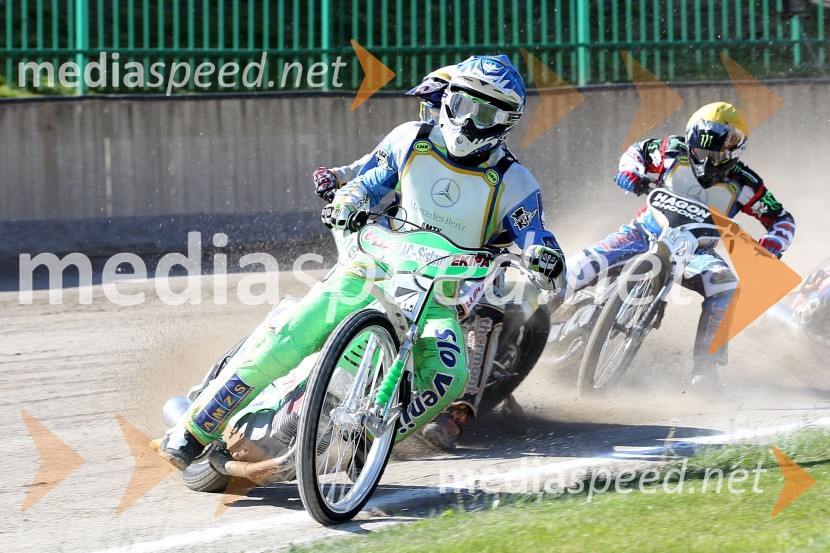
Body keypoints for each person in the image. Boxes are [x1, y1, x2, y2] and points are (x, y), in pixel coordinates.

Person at [156, 54, 566, 470]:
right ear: (449, 101)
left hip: (438, 298)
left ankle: (362, 444)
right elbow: (367, 182)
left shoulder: (516, 181)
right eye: (463, 105)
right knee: (293, 334)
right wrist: (348, 200)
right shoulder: (411, 138)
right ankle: (194, 429)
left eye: (487, 113)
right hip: (372, 269)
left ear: (507, 121)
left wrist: (545, 258)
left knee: (449, 375)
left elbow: (535, 235)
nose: (470, 122)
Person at [564, 101, 796, 388]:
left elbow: (783, 220)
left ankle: (706, 368)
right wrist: (631, 173)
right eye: (701, 151)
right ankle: (533, 314)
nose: (707, 161)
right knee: (578, 266)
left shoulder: (745, 183)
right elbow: (636, 152)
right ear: (690, 140)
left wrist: (770, 246)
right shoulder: (671, 149)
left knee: (725, 286)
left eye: (716, 154)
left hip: (696, 253)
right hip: (643, 232)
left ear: (734, 152)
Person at [311, 64, 457, 202]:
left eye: (436, 109)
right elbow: (377, 167)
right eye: (429, 108)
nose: (432, 117)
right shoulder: (414, 139)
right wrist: (337, 176)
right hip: (411, 225)